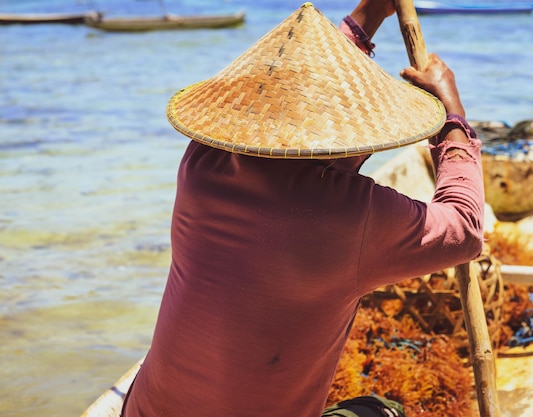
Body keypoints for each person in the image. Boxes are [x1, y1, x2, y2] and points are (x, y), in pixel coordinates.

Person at [121, 0, 484, 416]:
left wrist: (366, 18)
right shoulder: (349, 216)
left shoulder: (204, 163)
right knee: (384, 410)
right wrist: (454, 118)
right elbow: (466, 226)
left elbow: (297, 94)